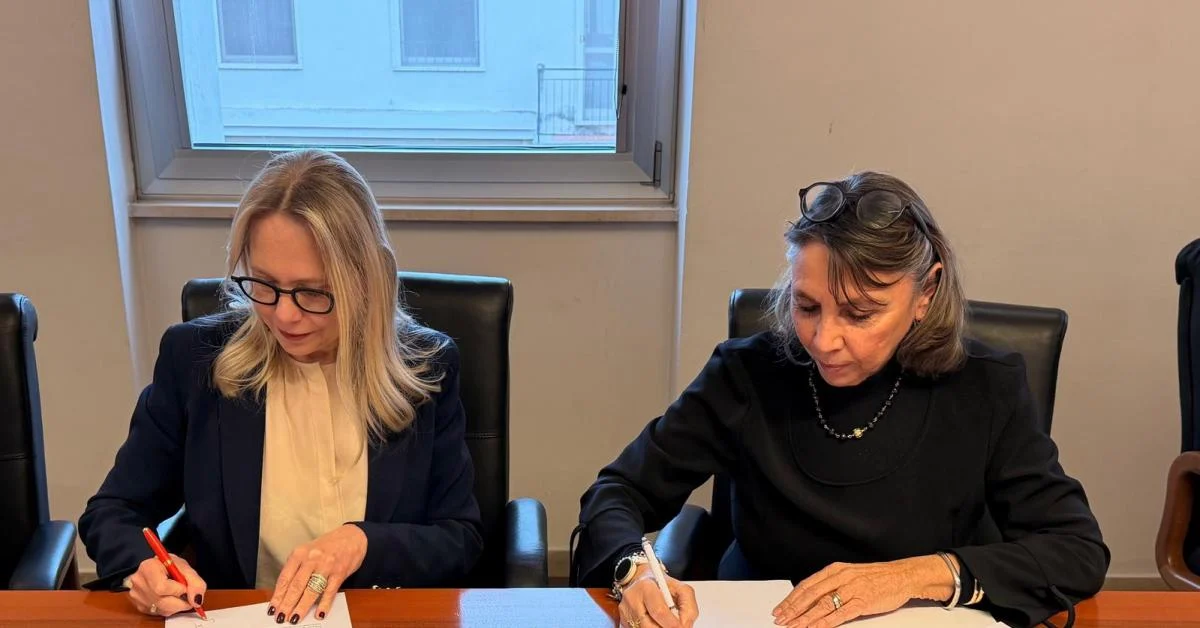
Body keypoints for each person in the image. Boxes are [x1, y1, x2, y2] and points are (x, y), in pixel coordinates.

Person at [572, 172, 1108, 628]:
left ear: (925, 293)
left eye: (859, 313)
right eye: (807, 306)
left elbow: (1076, 550)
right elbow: (618, 492)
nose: (824, 339)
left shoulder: (984, 388)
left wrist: (914, 575)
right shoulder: (746, 374)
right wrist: (633, 570)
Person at [80, 149, 483, 623]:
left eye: (312, 291)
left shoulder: (426, 368)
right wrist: (142, 570)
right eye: (264, 285)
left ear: (366, 280)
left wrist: (361, 542)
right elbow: (114, 511)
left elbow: (460, 539)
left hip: (378, 617)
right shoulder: (194, 360)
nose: (284, 316)